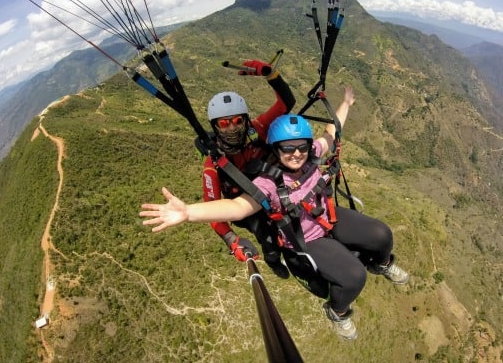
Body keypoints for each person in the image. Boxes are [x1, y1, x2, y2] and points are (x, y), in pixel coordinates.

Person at [140, 87, 409, 340]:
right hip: (305, 237)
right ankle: (337, 312)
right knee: (354, 277)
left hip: (327, 216)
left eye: (300, 147)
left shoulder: (311, 154)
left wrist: (345, 103)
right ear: (275, 150)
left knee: (382, 234)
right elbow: (238, 207)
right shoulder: (267, 183)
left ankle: (381, 264)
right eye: (287, 149)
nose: (295, 154)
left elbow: (330, 133)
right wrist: (188, 212)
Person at [199, 59, 295, 278]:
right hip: (244, 204)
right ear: (215, 126)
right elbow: (211, 211)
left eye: (236, 121)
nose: (232, 127)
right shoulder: (213, 164)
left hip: (269, 189)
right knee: (266, 232)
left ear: (245, 120)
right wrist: (232, 240)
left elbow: (285, 103)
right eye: (224, 123)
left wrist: (272, 75)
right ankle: (272, 258)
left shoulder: (257, 129)